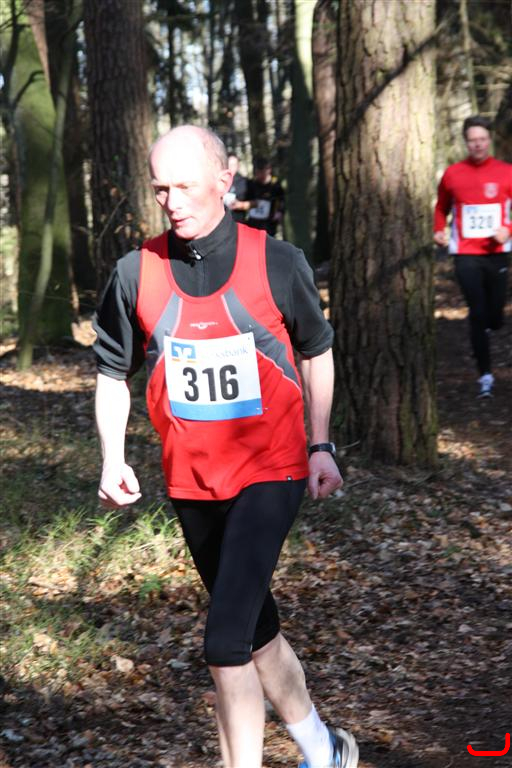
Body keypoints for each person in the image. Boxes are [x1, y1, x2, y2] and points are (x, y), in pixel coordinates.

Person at [94, 125, 359, 768]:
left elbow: (316, 352)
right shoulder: (135, 272)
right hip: (191, 480)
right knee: (255, 630)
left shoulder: (278, 261)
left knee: (224, 644)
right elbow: (111, 372)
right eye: (160, 188)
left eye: (185, 185)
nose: (172, 201)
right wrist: (112, 457)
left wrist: (320, 444)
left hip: (271, 470)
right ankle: (323, 749)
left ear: (224, 178)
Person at [434, 115, 511, 398]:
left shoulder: (506, 172)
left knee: (495, 316)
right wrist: (439, 230)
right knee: (477, 313)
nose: (477, 144)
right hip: (465, 253)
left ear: (489, 140)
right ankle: (485, 375)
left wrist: (508, 229)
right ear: (466, 142)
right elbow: (441, 208)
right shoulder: (453, 174)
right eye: (472, 140)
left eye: (482, 139)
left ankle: (493, 322)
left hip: (497, 253)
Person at [246, 156, 285, 236]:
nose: (261, 175)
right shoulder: (252, 184)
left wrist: (279, 212)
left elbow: (282, 200)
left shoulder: (275, 184)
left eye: (263, 172)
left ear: (269, 170)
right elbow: (247, 200)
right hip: (254, 222)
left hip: (269, 224)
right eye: (258, 172)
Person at [224, 153, 249, 223]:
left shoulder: (245, 182)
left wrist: (240, 205)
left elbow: (256, 203)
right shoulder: (220, 180)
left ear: (238, 166)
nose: (231, 167)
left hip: (238, 221)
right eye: (229, 165)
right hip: (221, 221)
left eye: (234, 165)